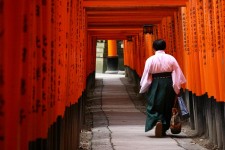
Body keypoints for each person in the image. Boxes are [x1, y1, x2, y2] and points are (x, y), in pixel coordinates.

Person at [139, 39, 186, 137]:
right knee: (167, 105)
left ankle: (158, 120)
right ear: (165, 47)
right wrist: (177, 87)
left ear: (153, 48)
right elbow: (177, 73)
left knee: (152, 105)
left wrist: (144, 87)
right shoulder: (171, 58)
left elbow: (146, 75)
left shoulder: (150, 60)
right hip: (169, 82)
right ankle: (163, 128)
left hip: (156, 82)